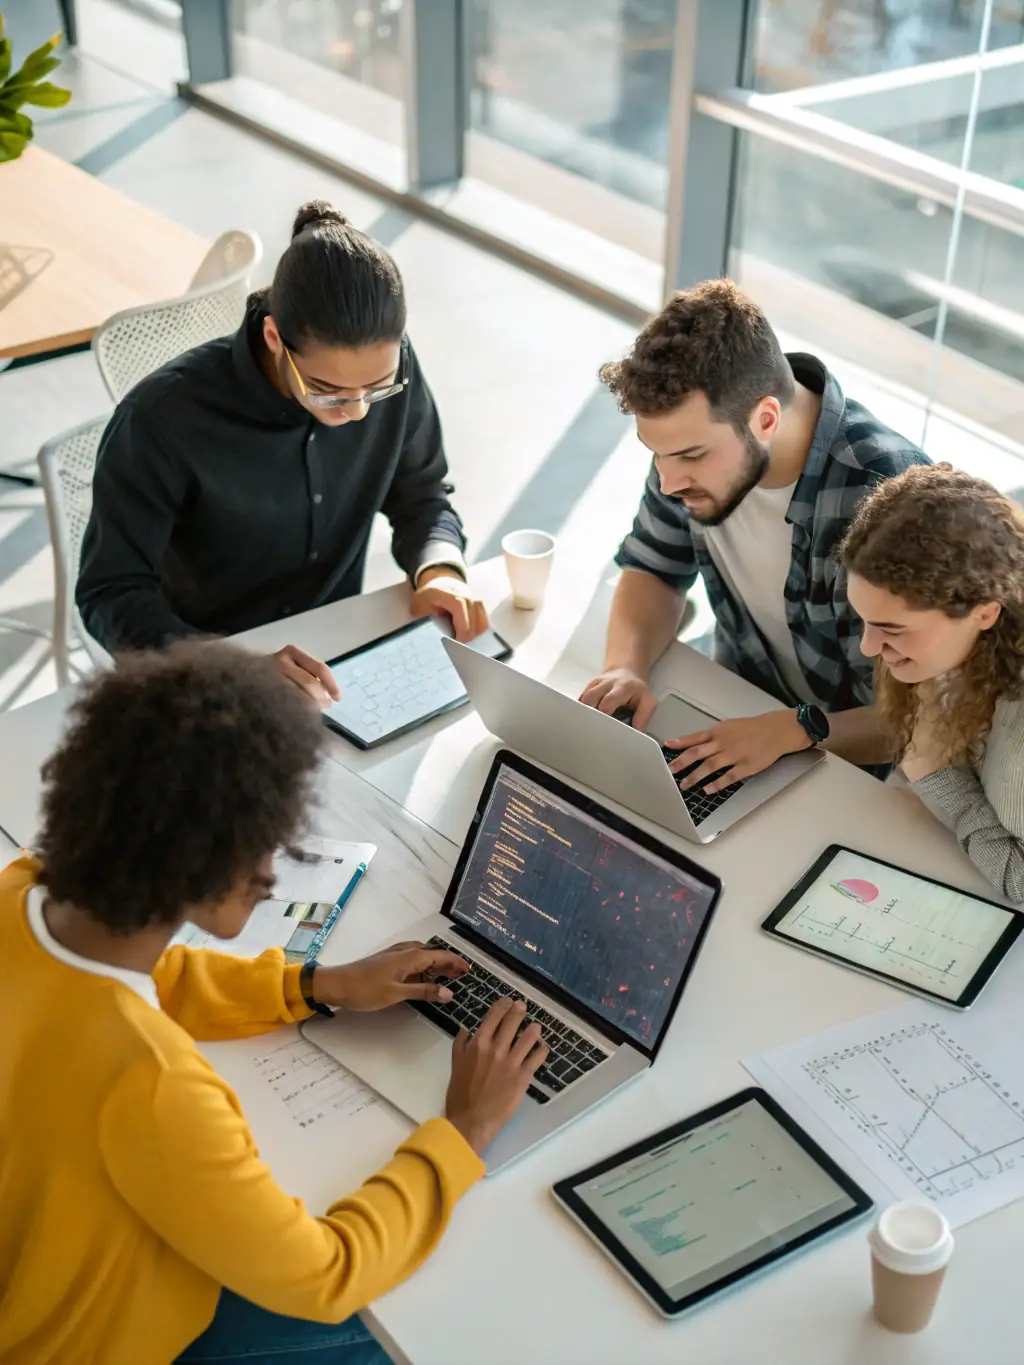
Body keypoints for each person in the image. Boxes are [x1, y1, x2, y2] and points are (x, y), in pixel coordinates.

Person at [0, 642, 547, 1365]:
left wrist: (312, 984)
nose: (271, 872)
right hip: (89, 1339)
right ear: (209, 856)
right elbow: (328, 1273)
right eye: (267, 842)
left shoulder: (22, 895)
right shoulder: (153, 1084)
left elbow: (147, 974)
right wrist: (463, 1132)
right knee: (427, 1315)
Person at [77, 201, 488, 708]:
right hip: (206, 679)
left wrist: (438, 571)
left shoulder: (394, 369)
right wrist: (232, 668)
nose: (358, 411)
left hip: (338, 663)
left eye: (376, 388)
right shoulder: (162, 419)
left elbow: (421, 493)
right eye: (328, 391)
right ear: (274, 337)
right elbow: (109, 592)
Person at [580, 279, 930, 792]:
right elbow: (655, 567)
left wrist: (794, 730)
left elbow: (918, 713)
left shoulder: (885, 496)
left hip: (853, 771)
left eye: (692, 455)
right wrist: (624, 668)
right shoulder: (688, 459)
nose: (668, 481)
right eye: (657, 453)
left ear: (765, 418)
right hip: (740, 711)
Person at [841, 463, 1024, 902]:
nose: (869, 647)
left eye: (892, 628)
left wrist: (937, 775)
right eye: (865, 621)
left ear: (984, 611)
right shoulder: (958, 648)